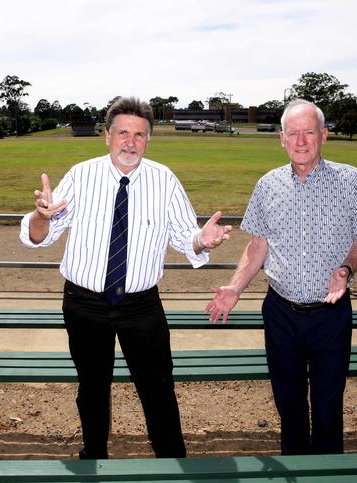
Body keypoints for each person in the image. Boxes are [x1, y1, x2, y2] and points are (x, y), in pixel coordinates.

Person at [19, 96, 232, 459]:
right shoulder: (82, 175)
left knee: (158, 387)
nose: (130, 142)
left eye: (139, 135)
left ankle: (171, 461)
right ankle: (94, 456)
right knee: (92, 387)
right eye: (123, 133)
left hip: (140, 305)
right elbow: (40, 236)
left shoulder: (163, 180)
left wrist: (202, 239)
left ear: (148, 139)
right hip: (84, 302)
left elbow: (185, 236)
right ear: (107, 136)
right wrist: (40, 215)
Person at [205, 99, 357, 455]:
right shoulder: (268, 184)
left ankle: (327, 475)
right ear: (282, 139)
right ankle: (297, 468)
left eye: (309, 132)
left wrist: (346, 269)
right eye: (293, 134)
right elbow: (258, 245)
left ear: (324, 135)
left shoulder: (351, 180)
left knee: (327, 408)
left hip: (330, 316)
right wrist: (235, 288)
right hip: (280, 315)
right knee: (288, 407)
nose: (301, 141)